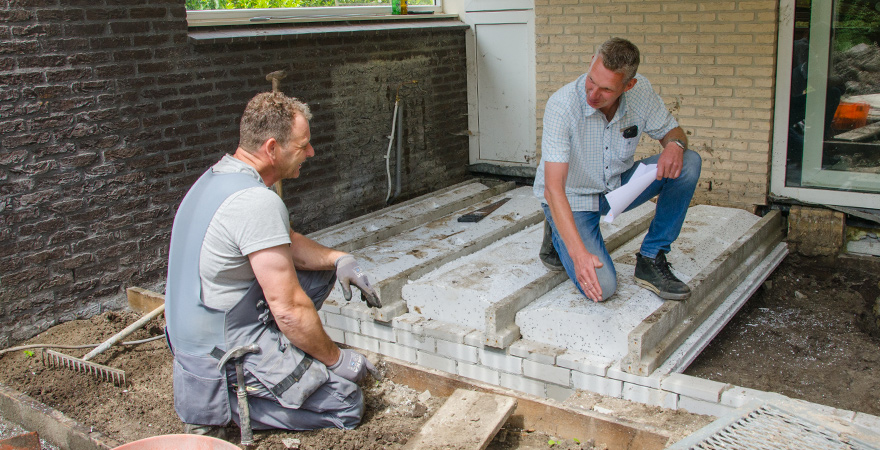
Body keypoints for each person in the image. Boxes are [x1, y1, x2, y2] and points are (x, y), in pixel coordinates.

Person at [165, 91, 382, 436]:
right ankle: (226, 410)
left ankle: (285, 357)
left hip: (196, 333)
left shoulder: (219, 178)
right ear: (271, 148)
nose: (310, 153)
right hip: (220, 352)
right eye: (302, 146)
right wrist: (337, 360)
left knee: (319, 273)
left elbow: (284, 240)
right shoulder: (255, 202)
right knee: (347, 403)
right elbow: (289, 309)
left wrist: (340, 259)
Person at [534, 37, 701, 302]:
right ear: (591, 62)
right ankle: (558, 229)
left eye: (606, 90)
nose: (593, 94)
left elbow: (674, 132)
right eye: (591, 81)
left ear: (629, 85)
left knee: (688, 162)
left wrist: (675, 145)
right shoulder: (561, 106)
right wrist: (579, 255)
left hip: (617, 187)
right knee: (603, 288)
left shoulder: (641, 91)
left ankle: (651, 258)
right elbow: (554, 189)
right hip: (573, 197)